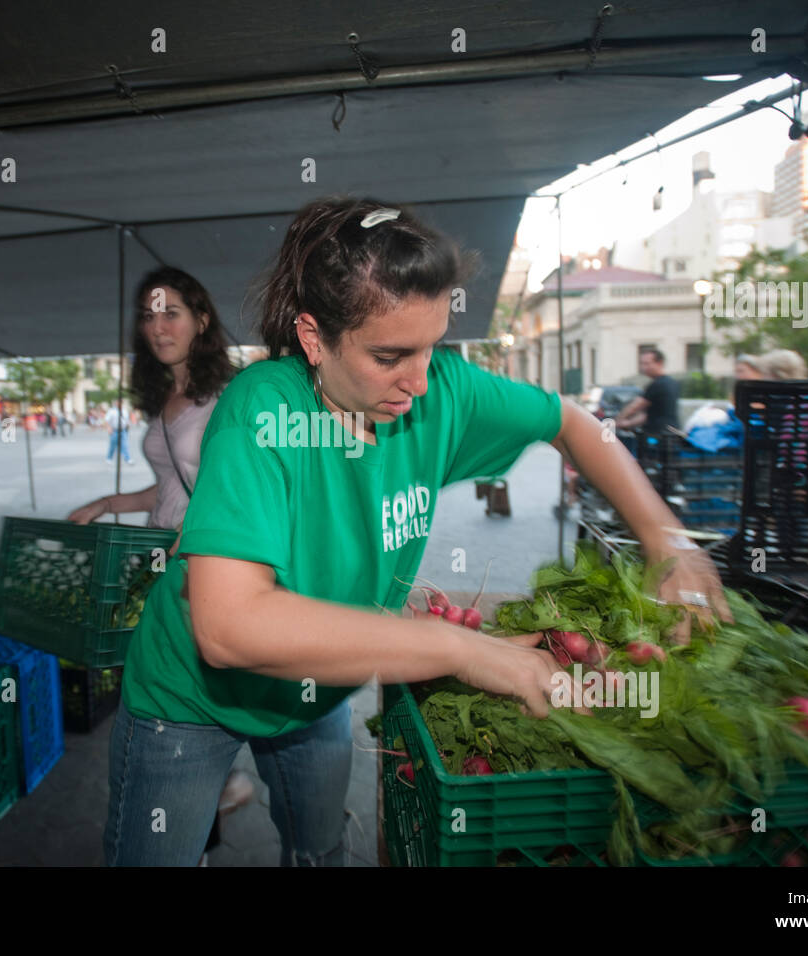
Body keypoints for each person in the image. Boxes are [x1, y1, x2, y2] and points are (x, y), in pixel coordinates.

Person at [102, 198, 730, 867]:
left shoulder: (442, 393)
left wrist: (670, 540)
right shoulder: (263, 408)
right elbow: (229, 628)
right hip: (189, 701)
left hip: (317, 689)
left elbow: (572, 422)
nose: (421, 382)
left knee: (320, 852)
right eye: (390, 355)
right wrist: (457, 649)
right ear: (314, 338)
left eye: (432, 347)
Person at [66, 266, 245, 861]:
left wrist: (199, 540)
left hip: (205, 569)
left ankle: (204, 808)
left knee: (185, 701)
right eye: (148, 314)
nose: (157, 325)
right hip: (160, 567)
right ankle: (203, 816)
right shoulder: (165, 394)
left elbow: (244, 490)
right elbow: (169, 485)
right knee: (174, 696)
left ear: (202, 319)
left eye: (171, 312)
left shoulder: (230, 396)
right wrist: (108, 503)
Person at [614, 348, 680, 435]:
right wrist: (628, 423)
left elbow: (635, 406)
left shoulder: (659, 384)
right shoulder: (672, 382)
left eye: (647, 363)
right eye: (641, 364)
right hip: (670, 432)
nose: (643, 367)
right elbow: (649, 415)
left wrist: (616, 421)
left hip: (657, 434)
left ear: (659, 363)